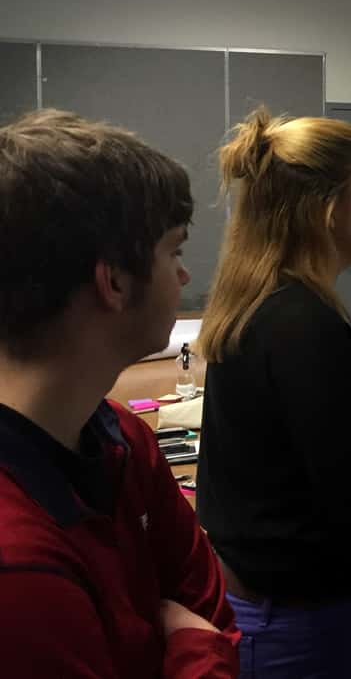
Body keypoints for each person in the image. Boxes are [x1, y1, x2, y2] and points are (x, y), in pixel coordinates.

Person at [196, 108, 351, 678]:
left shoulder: (273, 307)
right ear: (326, 210)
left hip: (282, 612)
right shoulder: (299, 326)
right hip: (298, 629)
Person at [0, 109, 239, 677]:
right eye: (174, 252)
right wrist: (195, 653)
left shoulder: (122, 438)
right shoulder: (18, 568)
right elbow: (208, 633)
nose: (184, 277)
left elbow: (211, 606)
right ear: (113, 281)